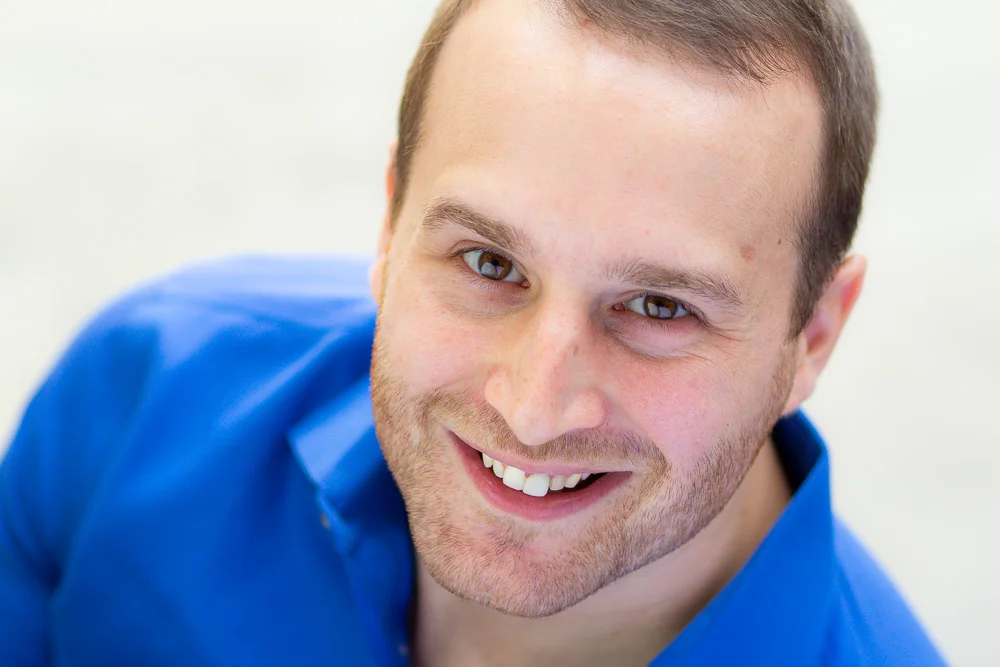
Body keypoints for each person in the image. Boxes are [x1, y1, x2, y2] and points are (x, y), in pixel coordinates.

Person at [0, 0, 947, 665]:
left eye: (661, 307)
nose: (534, 407)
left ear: (814, 334)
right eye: (490, 263)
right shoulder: (142, 405)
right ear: (390, 224)